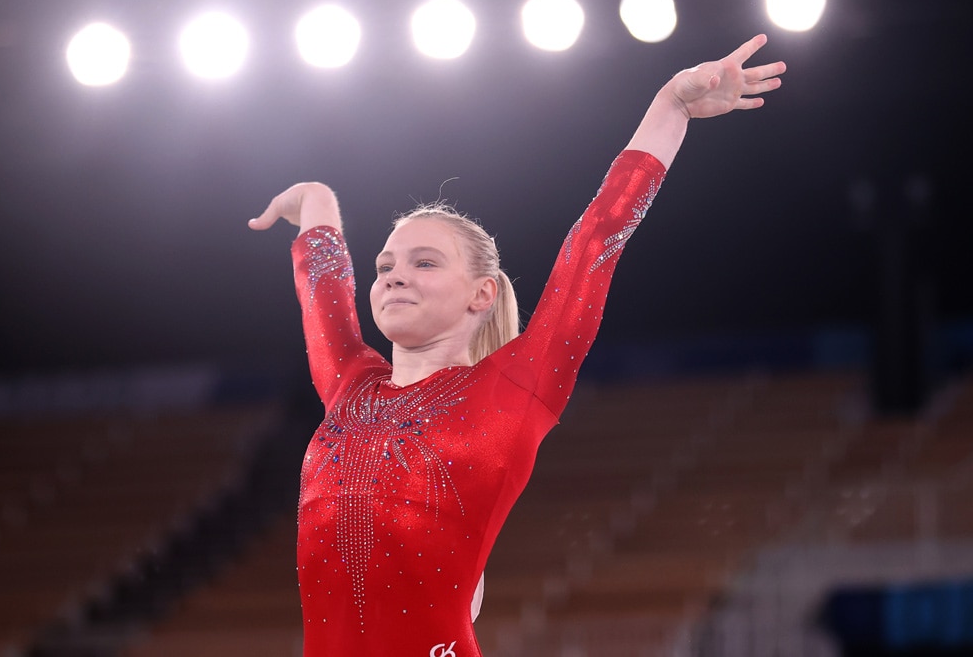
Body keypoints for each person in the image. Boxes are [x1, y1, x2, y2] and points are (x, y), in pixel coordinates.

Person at [249, 34, 785, 656]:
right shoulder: (350, 387)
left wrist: (671, 107)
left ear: (481, 294)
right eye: (386, 264)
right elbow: (325, 295)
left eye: (424, 263)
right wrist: (317, 203)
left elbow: (596, 239)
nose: (394, 275)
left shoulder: (514, 388)